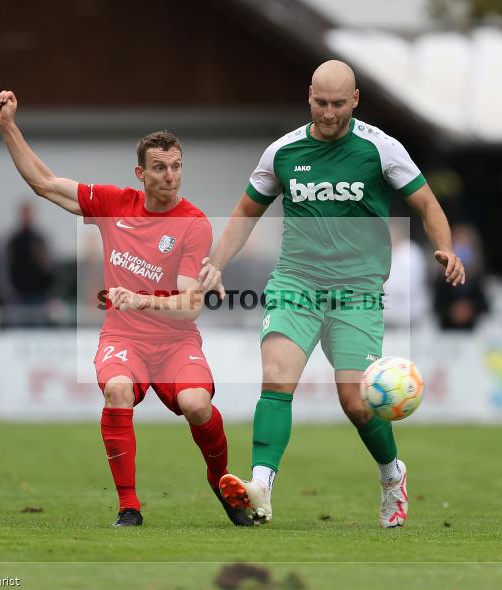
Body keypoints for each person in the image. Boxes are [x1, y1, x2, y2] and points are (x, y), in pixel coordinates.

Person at [198, 61, 465, 528]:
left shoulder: (381, 149)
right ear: (309, 97)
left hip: (357, 288)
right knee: (277, 381)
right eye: (320, 102)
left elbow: (426, 203)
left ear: (355, 100)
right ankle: (261, 487)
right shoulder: (282, 152)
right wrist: (216, 262)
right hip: (295, 282)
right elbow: (245, 211)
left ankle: (391, 475)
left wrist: (444, 247)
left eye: (338, 104)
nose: (328, 113)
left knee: (357, 403)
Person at [0, 90, 251, 528]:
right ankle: (129, 507)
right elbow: (45, 184)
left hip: (174, 342)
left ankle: (219, 479)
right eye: (160, 168)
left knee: (196, 405)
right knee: (116, 389)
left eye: (176, 166)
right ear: (141, 173)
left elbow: (189, 307)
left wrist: (141, 299)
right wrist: (7, 127)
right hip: (123, 338)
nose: (171, 176)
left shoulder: (193, 224)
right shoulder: (115, 205)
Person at [6, 202, 55, 325]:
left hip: (38, 295)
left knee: (38, 333)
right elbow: (5, 266)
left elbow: (49, 267)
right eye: (24, 213)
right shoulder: (13, 240)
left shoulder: (40, 239)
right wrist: (7, 292)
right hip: (18, 295)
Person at [433, 224, 489, 330]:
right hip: (445, 332)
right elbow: (437, 306)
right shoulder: (442, 279)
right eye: (458, 245)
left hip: (473, 332)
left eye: (465, 245)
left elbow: (484, 306)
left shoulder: (477, 280)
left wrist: (470, 310)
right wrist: (452, 311)